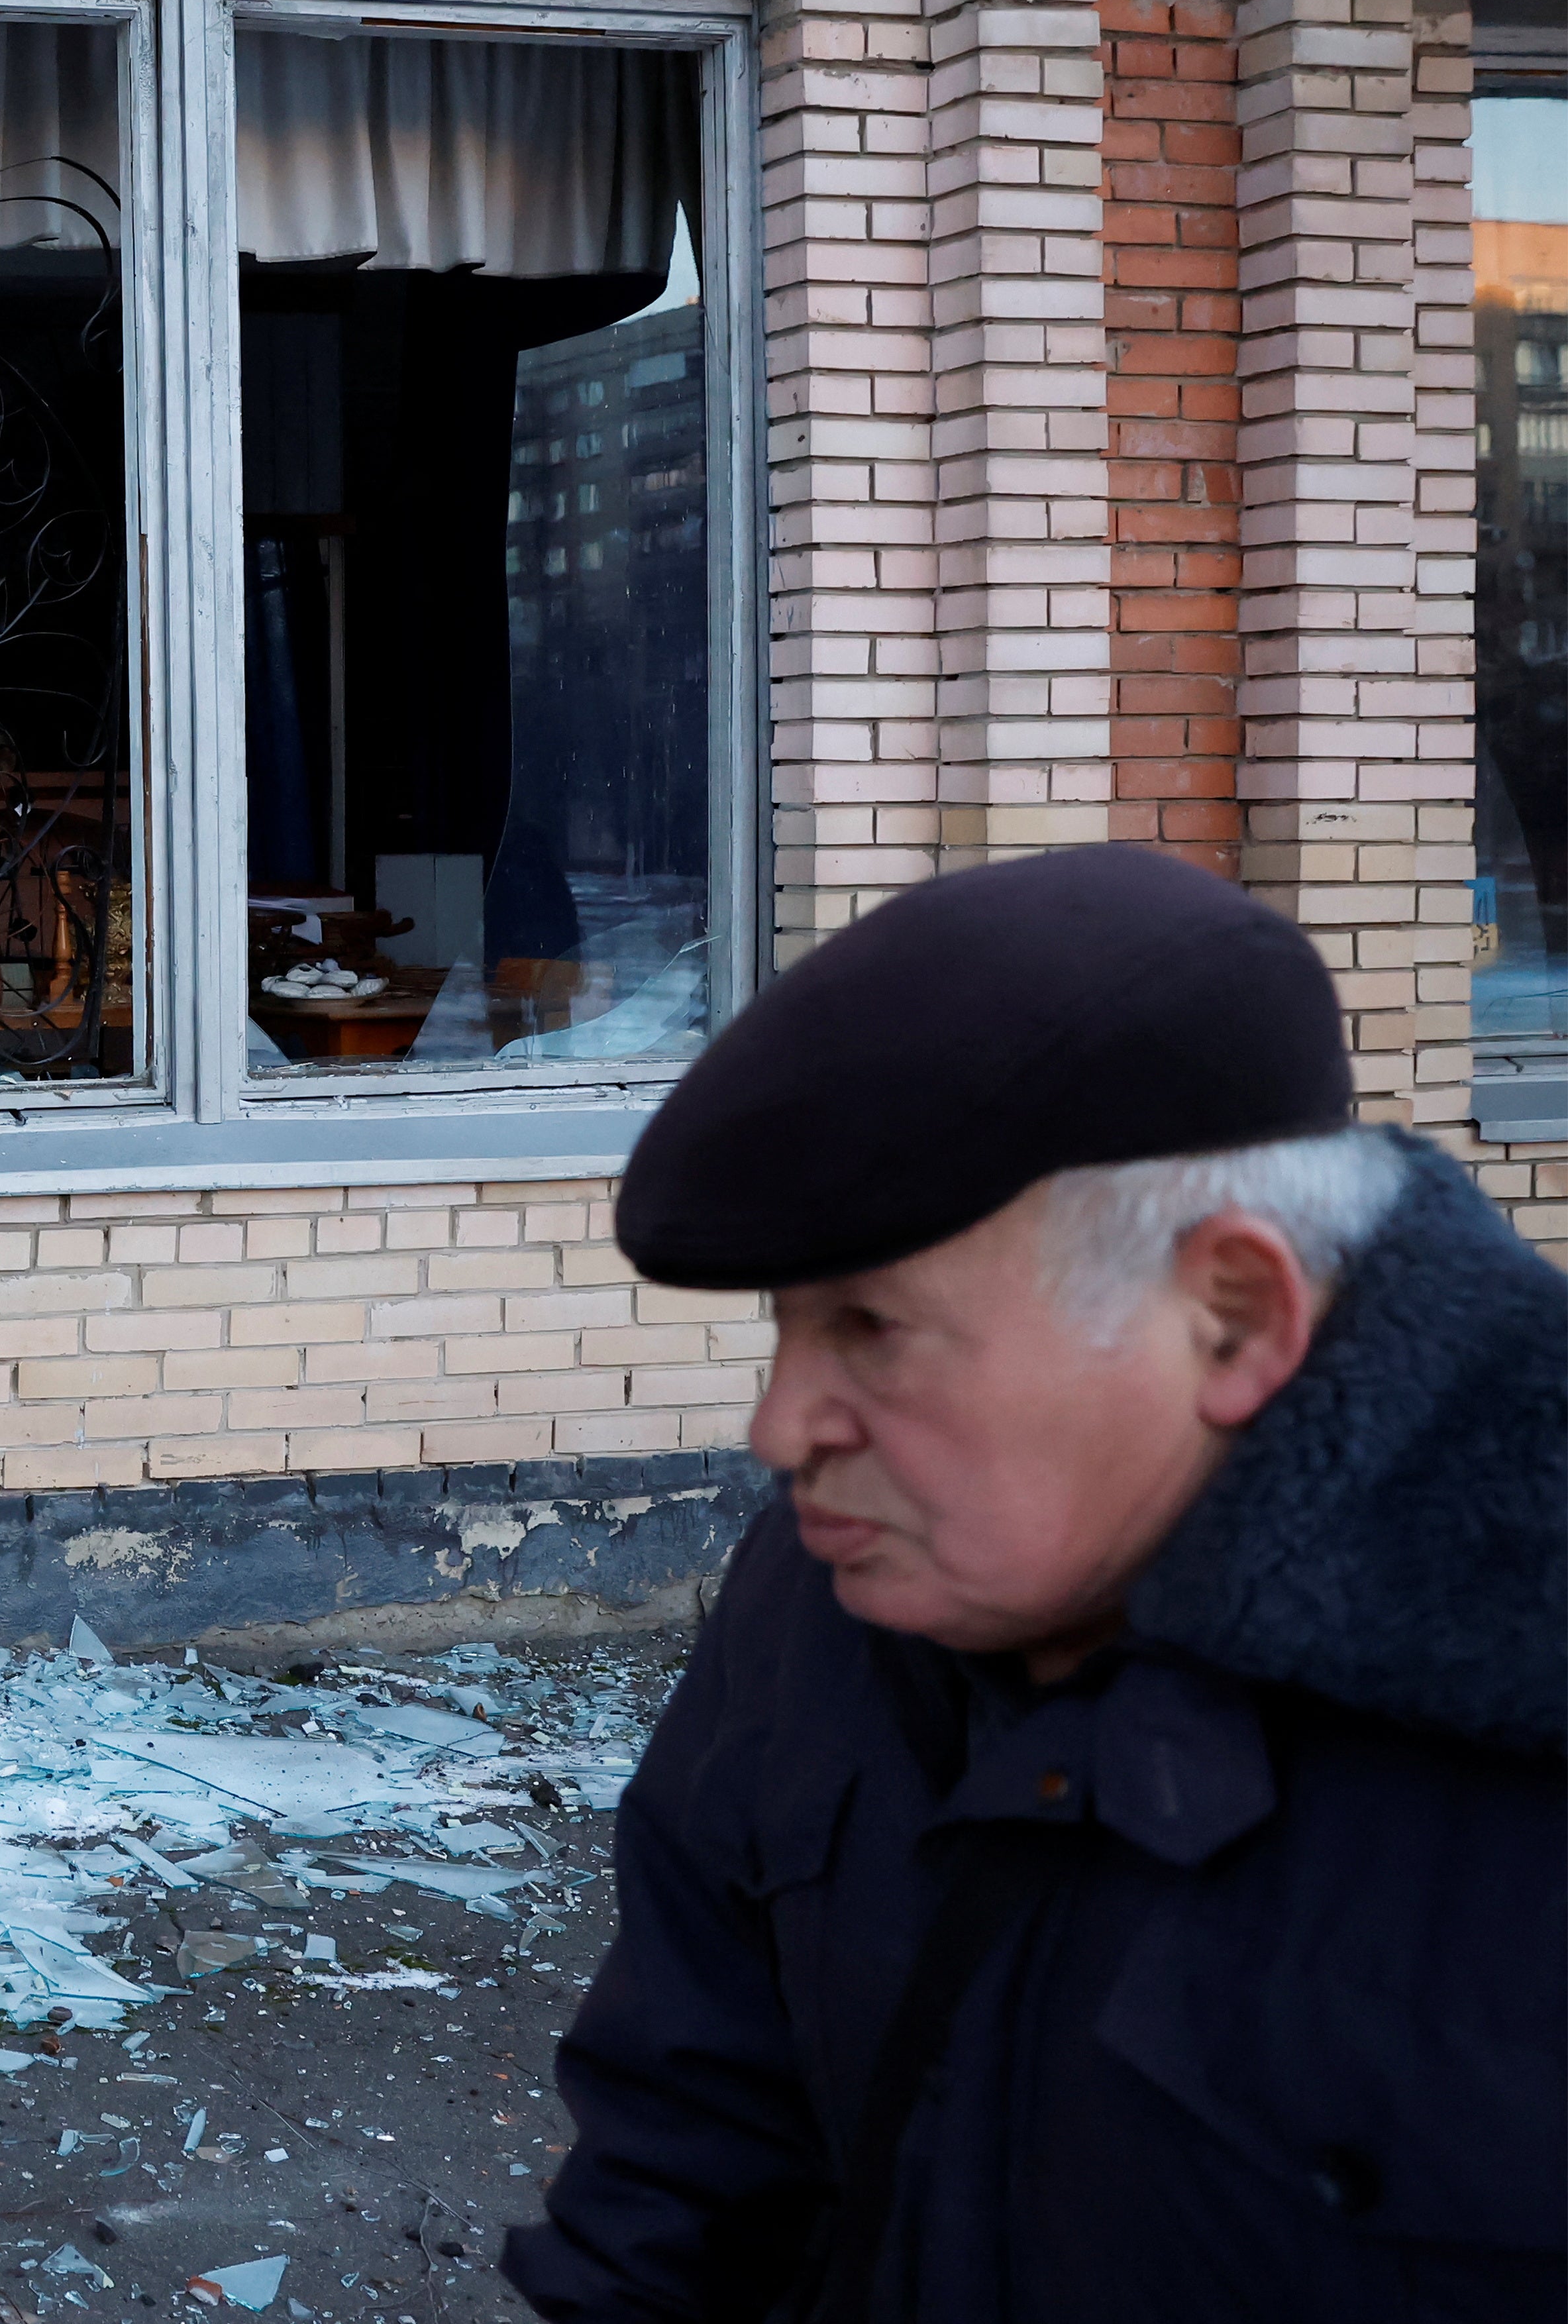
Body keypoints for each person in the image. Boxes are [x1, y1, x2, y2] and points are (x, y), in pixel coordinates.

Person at [499, 845, 1567, 2323]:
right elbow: (685, 2173)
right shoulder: (831, 1591)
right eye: (787, 1326)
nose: (779, 1427)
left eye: (871, 1325)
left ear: (1232, 1313)